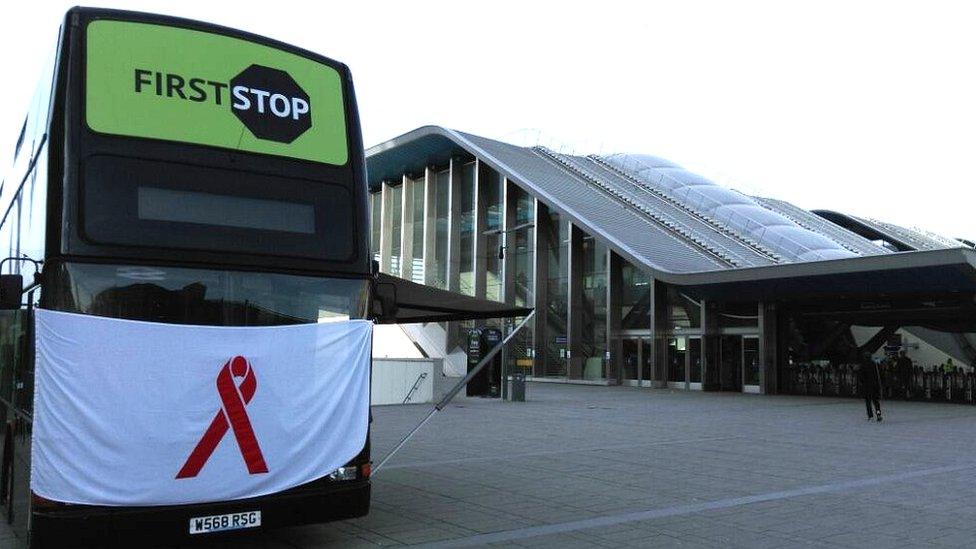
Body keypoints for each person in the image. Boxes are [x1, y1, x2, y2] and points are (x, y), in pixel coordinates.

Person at [859, 352, 883, 422]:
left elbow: (861, 377)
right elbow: (880, 375)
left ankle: (870, 416)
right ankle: (878, 414)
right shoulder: (875, 365)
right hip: (875, 386)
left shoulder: (863, 365)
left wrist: (862, 383)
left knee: (868, 402)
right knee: (876, 402)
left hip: (867, 386)